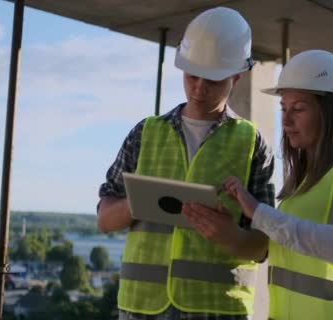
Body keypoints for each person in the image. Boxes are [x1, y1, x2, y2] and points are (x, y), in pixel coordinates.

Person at [183, 50, 333, 319]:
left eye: (298, 108)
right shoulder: (301, 180)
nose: (286, 121)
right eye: (284, 109)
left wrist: (260, 213)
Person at [96, 7, 275, 320]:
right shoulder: (145, 133)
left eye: (212, 80)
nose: (199, 88)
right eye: (192, 76)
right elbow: (104, 220)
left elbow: (263, 246)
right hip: (141, 307)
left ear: (236, 75)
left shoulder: (252, 144)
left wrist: (231, 235)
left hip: (217, 309)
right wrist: (137, 203)